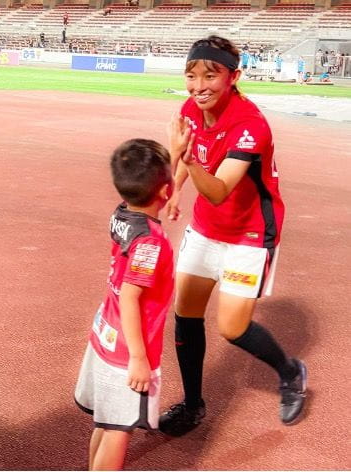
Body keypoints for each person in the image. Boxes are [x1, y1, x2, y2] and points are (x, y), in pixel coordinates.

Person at [158, 35, 307, 437]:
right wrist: (176, 188)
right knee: (185, 314)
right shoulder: (190, 109)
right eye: (191, 76)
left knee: (232, 328)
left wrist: (186, 158)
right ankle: (193, 406)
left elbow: (219, 190)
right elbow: (190, 155)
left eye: (210, 76)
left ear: (233, 77)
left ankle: (290, 372)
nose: (199, 86)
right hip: (205, 228)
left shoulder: (250, 126)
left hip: (249, 235)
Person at [75, 139, 175, 470]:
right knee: (119, 431)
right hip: (127, 349)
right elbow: (132, 296)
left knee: (107, 423)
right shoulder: (150, 242)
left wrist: (176, 154)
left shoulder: (122, 212)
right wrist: (139, 358)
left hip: (107, 331)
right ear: (166, 190)